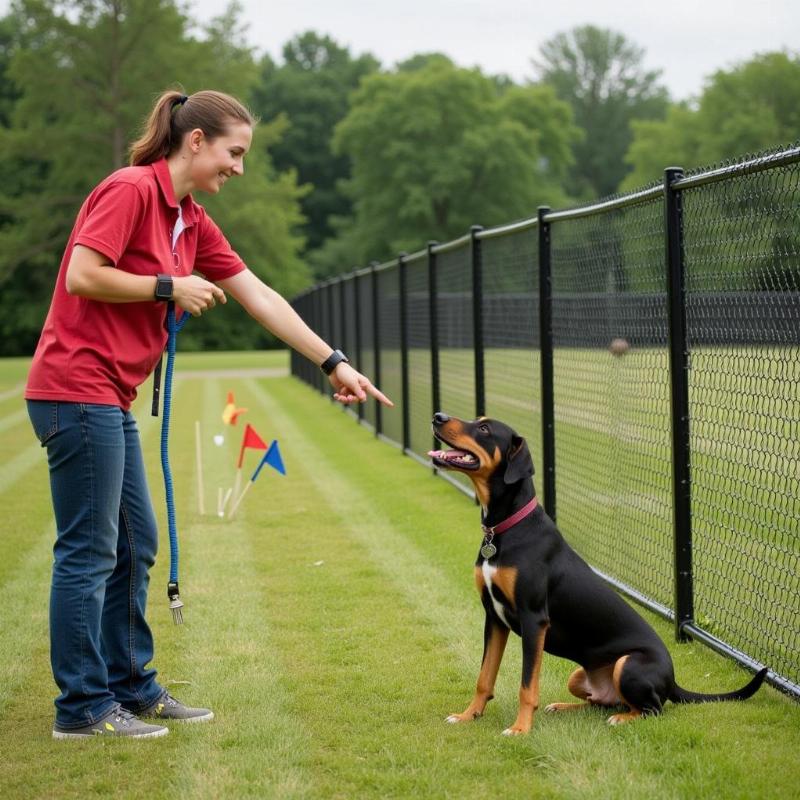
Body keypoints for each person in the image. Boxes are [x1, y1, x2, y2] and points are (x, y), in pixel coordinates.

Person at [25, 89, 393, 740]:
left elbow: (259, 295)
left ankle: (132, 689)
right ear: (195, 141)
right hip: (74, 388)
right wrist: (168, 286)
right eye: (234, 152)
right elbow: (83, 274)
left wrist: (333, 360)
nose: (239, 168)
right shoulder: (131, 189)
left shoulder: (190, 220)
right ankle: (81, 708)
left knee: (136, 545)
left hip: (106, 396)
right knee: (90, 550)